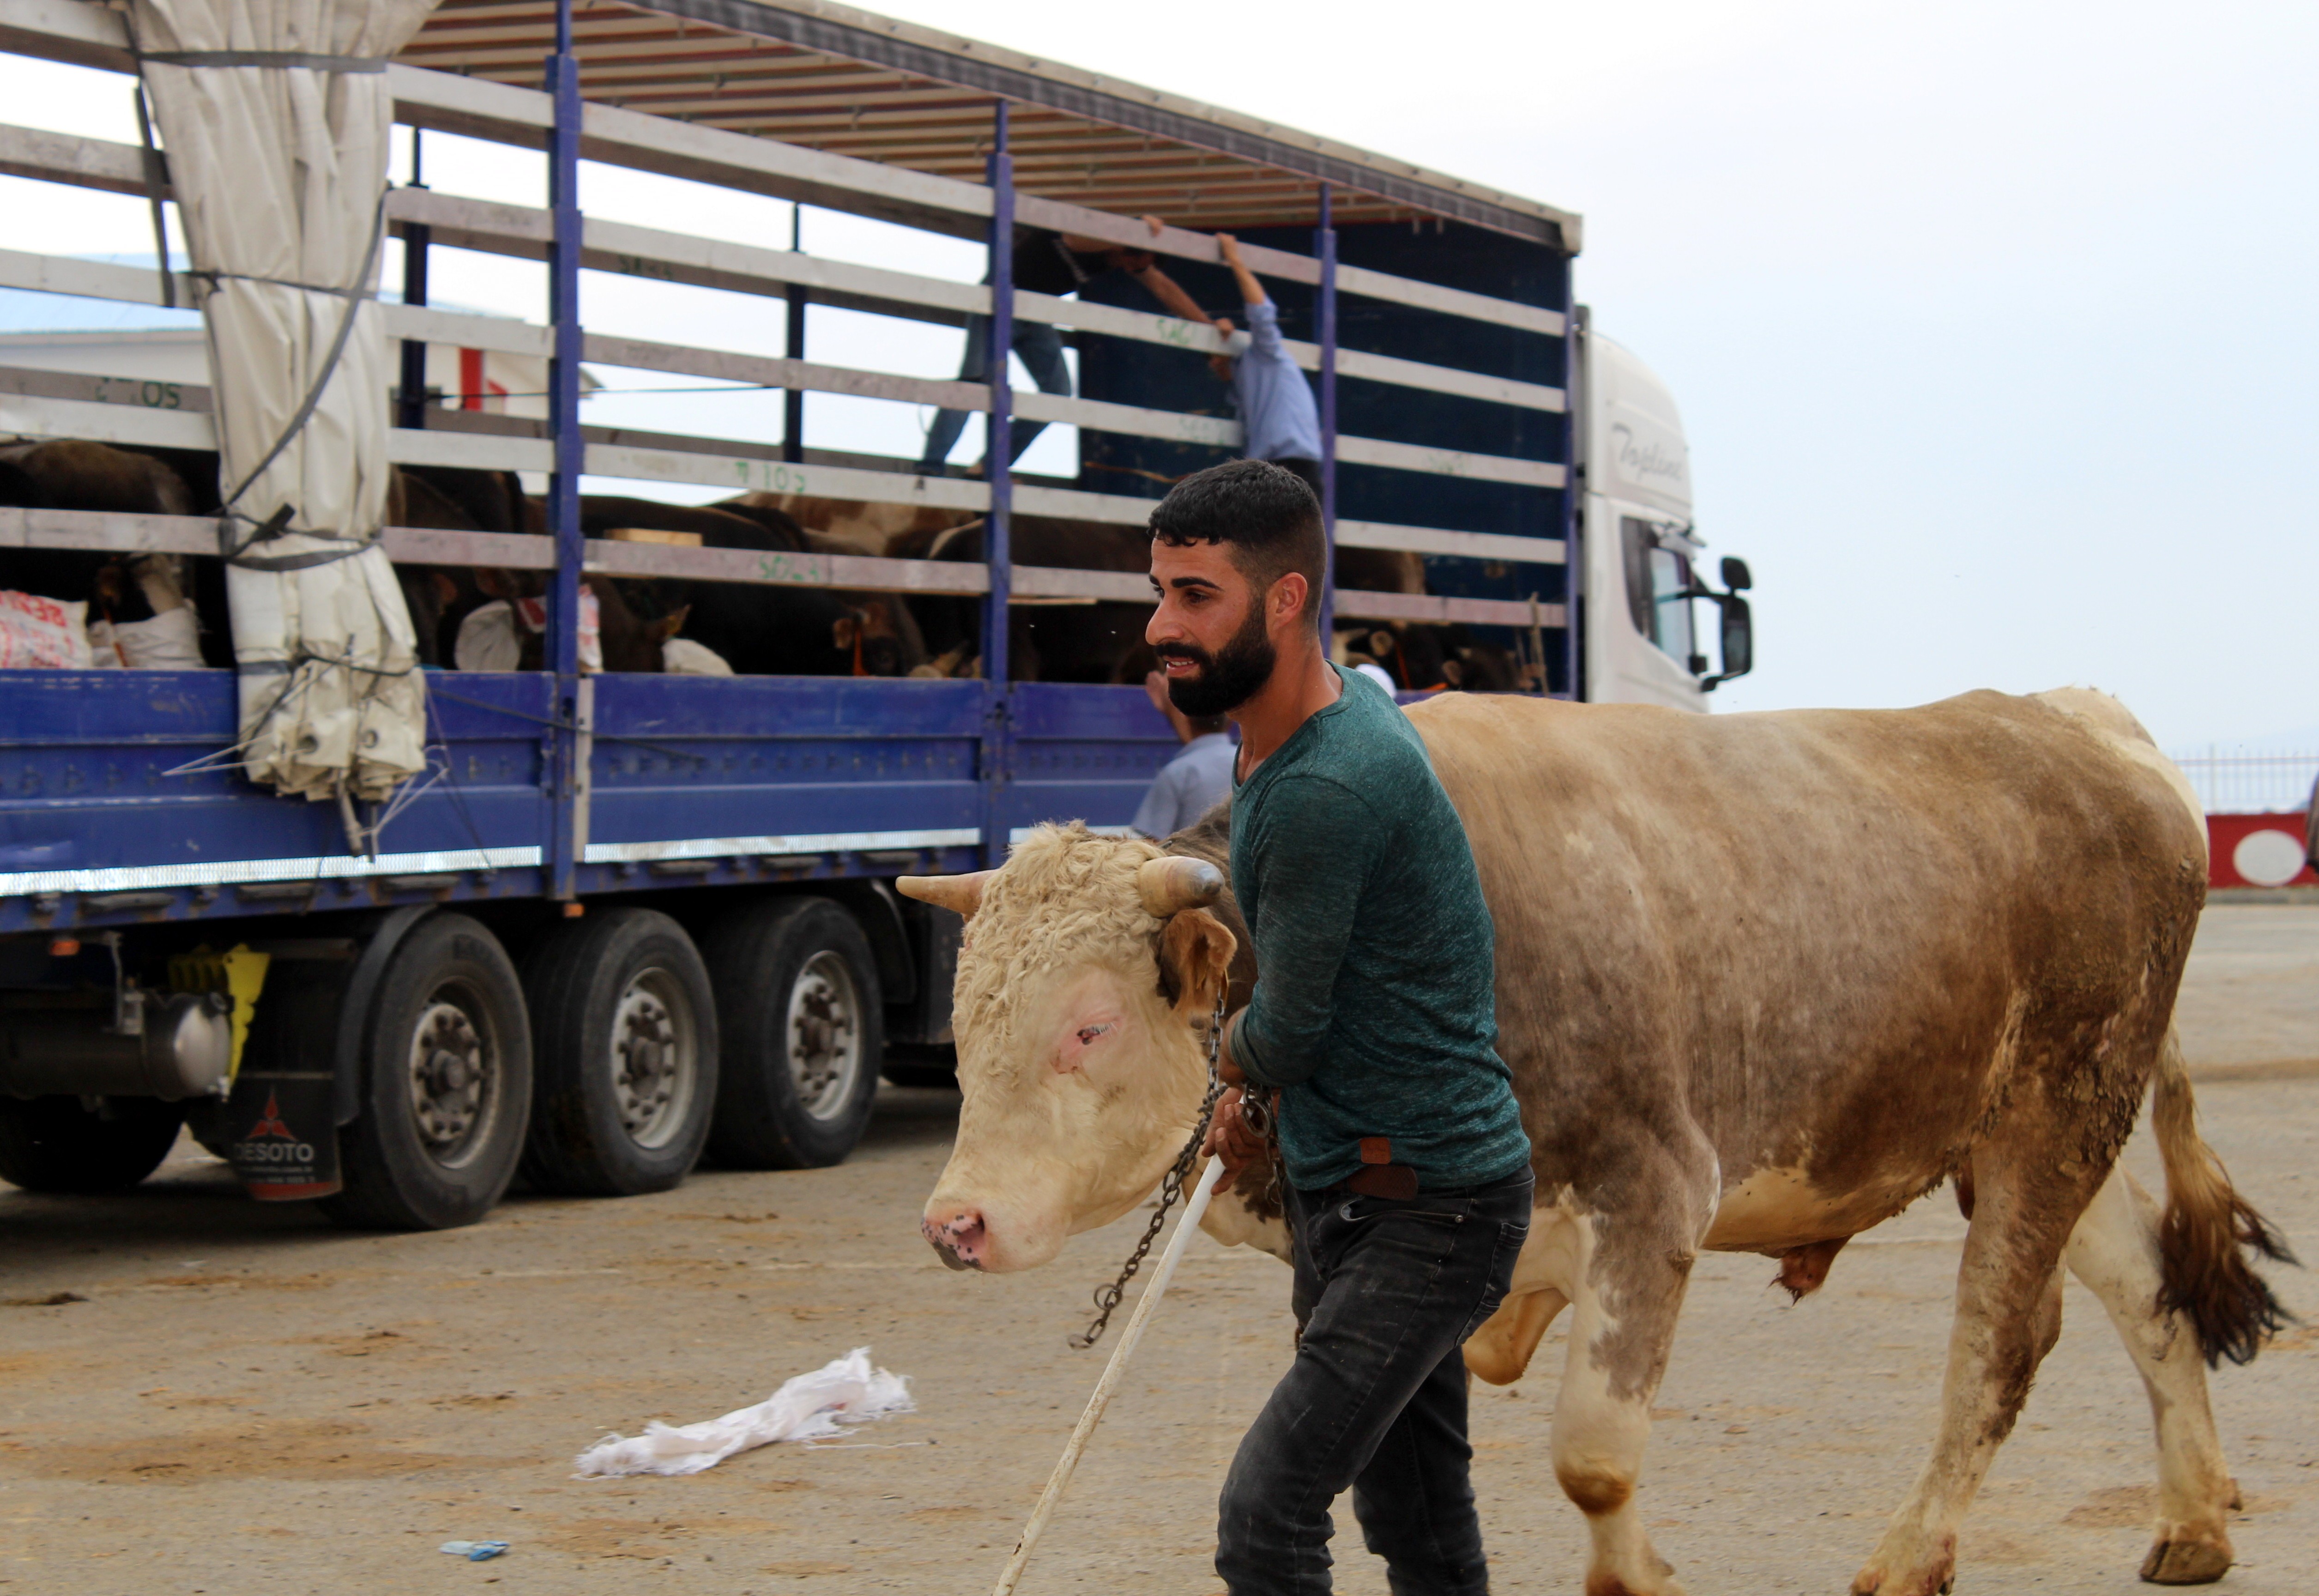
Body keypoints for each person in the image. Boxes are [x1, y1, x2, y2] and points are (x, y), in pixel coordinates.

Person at [1144, 459, 1532, 1596]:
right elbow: (1314, 1012)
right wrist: (1254, 1092)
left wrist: (1215, 1065)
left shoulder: (1327, 783)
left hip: (1425, 1205)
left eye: (1196, 596)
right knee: (1415, 1517)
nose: (1163, 627)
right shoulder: (1322, 714)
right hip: (1359, 1188)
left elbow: (1292, 1025)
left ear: (1284, 599)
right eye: (1159, 591)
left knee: (1264, 1516)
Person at [919, 217, 1206, 474]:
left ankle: (988, 468)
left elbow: (1166, 289)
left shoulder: (1120, 257)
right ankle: (930, 468)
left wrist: (1209, 329)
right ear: (1124, 247)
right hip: (999, 300)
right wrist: (1137, 232)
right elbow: (1073, 238)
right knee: (973, 384)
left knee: (1057, 395)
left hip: (1036, 315)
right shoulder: (1091, 238)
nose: (1132, 269)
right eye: (1135, 261)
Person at [1202, 232, 1325, 498]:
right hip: (1277, 469)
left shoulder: (1264, 356)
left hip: (1292, 466)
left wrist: (1234, 258)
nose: (1215, 365)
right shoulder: (1244, 380)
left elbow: (1262, 313)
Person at [1130, 667, 1236, 838]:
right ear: (1231, 719)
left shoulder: (1179, 774)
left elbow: (1152, 847)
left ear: (1184, 716)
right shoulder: (1248, 764)